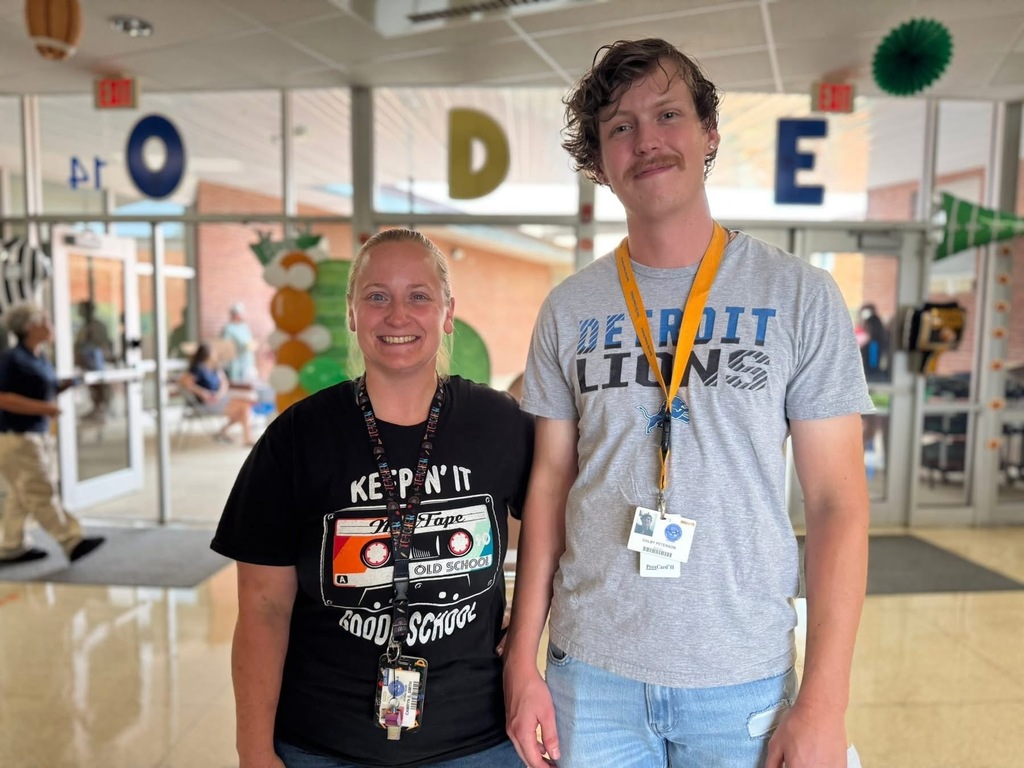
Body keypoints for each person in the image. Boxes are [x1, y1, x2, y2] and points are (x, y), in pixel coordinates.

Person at [503, 38, 872, 768]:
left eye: (667, 114)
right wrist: (523, 659)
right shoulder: (569, 310)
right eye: (619, 127)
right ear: (599, 162)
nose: (646, 140)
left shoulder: (798, 296)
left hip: (741, 679)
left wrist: (825, 703)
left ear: (708, 133)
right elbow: (546, 487)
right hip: (591, 674)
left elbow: (837, 503)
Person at [211, 228, 533, 767]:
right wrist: (253, 750)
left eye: (419, 296)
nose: (397, 315)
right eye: (377, 295)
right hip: (321, 742)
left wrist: (525, 623)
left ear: (447, 312)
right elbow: (263, 608)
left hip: (479, 738)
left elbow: (559, 537)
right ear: (353, 313)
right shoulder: (297, 438)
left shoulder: (499, 423)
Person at [0, 302, 105, 564]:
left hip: (38, 433)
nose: (51, 327)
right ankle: (71, 540)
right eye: (44, 321)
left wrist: (67, 385)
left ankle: (12, 545)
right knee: (40, 490)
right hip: (17, 436)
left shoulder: (39, 357)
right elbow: (3, 398)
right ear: (29, 327)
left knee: (20, 493)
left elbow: (42, 389)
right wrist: (44, 407)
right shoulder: (12, 359)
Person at [178, 342, 255, 446]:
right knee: (244, 408)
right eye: (213, 351)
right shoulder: (198, 368)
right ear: (207, 353)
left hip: (219, 399)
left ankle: (237, 436)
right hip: (206, 403)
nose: (216, 354)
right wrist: (202, 392)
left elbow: (224, 383)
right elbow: (184, 382)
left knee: (245, 408)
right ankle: (241, 437)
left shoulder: (215, 368)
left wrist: (219, 395)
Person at [73, 299, 113, 422]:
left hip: (95, 361)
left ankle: (101, 410)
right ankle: (97, 409)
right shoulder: (84, 326)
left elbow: (100, 344)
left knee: (99, 386)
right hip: (86, 362)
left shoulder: (97, 326)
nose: (80, 312)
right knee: (92, 386)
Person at [222, 302, 257, 385]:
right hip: (236, 365)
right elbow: (226, 348)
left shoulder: (244, 327)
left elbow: (249, 341)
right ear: (236, 315)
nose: (243, 315)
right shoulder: (228, 329)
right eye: (241, 313)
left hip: (248, 362)